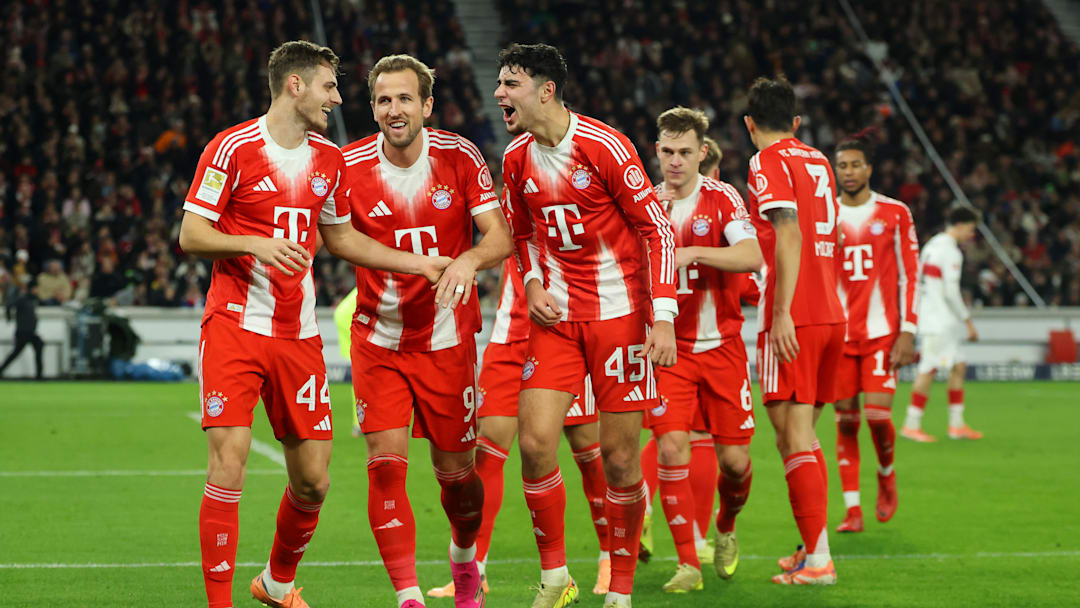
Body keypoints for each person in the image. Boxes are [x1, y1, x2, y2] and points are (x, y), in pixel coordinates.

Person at [178, 41, 450, 608]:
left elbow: (343, 238)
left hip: (298, 335)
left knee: (313, 481)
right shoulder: (232, 148)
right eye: (329, 86)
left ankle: (276, 584)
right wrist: (255, 242)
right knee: (229, 461)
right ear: (296, 85)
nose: (337, 97)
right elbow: (192, 234)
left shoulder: (328, 159)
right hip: (234, 325)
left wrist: (416, 262)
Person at [496, 43, 678, 608]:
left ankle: (620, 589)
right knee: (534, 443)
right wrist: (530, 285)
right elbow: (520, 235)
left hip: (619, 319)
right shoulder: (515, 158)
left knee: (620, 460)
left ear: (545, 89)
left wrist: (663, 317)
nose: (500, 93)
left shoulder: (604, 145)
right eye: (500, 83)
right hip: (557, 322)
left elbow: (658, 231)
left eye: (511, 83)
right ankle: (555, 578)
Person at [341, 54, 512, 608]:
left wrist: (466, 261)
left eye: (405, 98)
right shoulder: (349, 166)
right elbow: (337, 240)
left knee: (458, 480)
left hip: (446, 341)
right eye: (385, 100)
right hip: (380, 340)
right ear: (372, 108)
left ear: (427, 105)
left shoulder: (459, 157)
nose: (395, 109)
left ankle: (465, 567)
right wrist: (416, 265)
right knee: (386, 466)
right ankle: (408, 596)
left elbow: (499, 237)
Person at [427, 251, 613, 599]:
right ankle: (475, 570)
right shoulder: (509, 205)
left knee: (588, 451)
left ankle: (608, 556)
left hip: (566, 334)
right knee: (487, 449)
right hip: (510, 339)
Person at [641, 107, 762, 592]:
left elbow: (750, 255)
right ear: (657, 150)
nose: (675, 161)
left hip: (724, 350)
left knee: (735, 464)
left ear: (702, 153)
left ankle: (726, 526)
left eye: (685, 152)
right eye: (667, 151)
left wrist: (692, 252)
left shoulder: (722, 198)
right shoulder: (646, 205)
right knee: (671, 447)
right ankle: (688, 563)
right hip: (671, 353)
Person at [743, 76, 845, 585]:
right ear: (797, 123)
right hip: (831, 312)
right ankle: (813, 547)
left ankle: (820, 561)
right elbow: (832, 233)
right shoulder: (820, 160)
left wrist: (781, 310)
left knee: (794, 435)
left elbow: (788, 230)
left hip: (795, 313)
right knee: (796, 436)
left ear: (749, 124)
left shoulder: (765, 162)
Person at [832, 131, 920, 533]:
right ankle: (852, 509)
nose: (848, 172)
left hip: (883, 334)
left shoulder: (895, 212)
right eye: (842, 165)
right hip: (839, 337)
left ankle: (886, 471)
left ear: (869, 168)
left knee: (877, 416)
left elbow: (909, 275)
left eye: (855, 164)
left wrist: (908, 329)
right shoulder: (826, 215)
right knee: (846, 421)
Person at [902, 207, 983, 441]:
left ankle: (956, 425)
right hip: (939, 320)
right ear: (960, 225)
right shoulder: (951, 252)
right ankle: (911, 424)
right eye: (970, 229)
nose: (971, 234)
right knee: (928, 370)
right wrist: (967, 321)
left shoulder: (932, 246)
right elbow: (950, 291)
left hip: (932, 315)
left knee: (959, 366)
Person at [0, 278, 44, 379]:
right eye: (36, 288)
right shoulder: (23, 299)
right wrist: (9, 318)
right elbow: (8, 306)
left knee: (39, 345)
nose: (37, 290)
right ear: (32, 288)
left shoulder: (33, 299)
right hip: (22, 332)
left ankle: (39, 375)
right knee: (16, 353)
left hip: (31, 332)